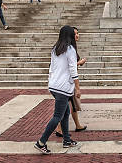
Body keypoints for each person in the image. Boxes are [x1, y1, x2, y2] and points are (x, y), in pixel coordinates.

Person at [35, 25, 80, 154]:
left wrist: (50, 81)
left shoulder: (56, 49)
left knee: (65, 113)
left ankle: (66, 140)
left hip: (54, 85)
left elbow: (52, 67)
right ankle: (41, 142)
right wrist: (77, 87)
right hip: (63, 87)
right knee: (57, 116)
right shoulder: (70, 49)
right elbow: (73, 69)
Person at [56, 27, 88, 137]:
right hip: (67, 82)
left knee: (71, 105)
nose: (77, 35)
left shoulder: (68, 48)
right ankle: (58, 129)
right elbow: (70, 67)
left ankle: (76, 125)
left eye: (78, 33)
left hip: (65, 82)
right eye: (75, 34)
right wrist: (80, 62)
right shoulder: (69, 49)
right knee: (65, 107)